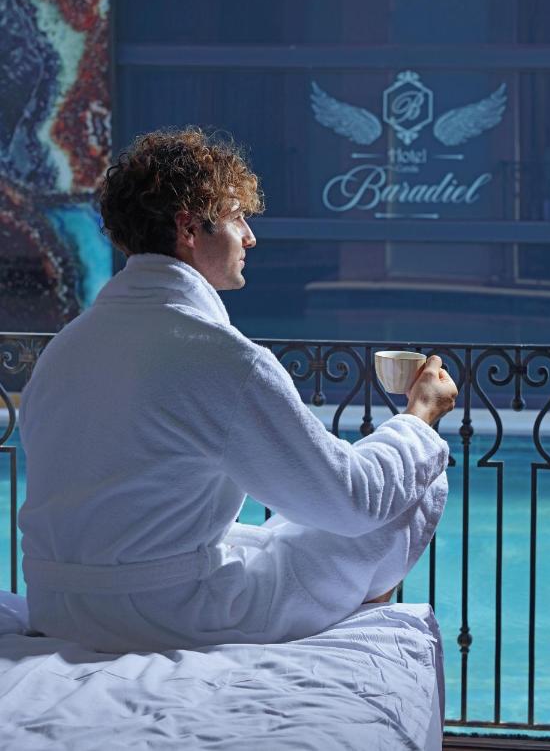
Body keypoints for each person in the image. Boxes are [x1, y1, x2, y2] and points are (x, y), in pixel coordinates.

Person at [17, 127, 457, 653]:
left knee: (285, 530)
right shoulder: (219, 358)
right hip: (160, 614)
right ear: (189, 228)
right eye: (236, 217)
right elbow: (351, 500)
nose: (249, 237)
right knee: (408, 483)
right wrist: (418, 416)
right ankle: (359, 634)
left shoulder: (67, 347)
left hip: (57, 605)